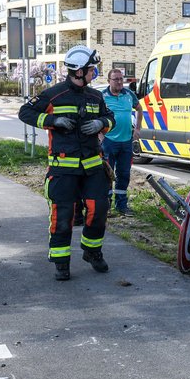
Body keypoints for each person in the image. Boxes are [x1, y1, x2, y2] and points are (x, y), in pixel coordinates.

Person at [18, 45, 115, 281]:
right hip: (63, 170)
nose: (95, 72)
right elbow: (25, 112)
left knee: (99, 208)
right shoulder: (53, 95)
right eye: (92, 69)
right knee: (63, 215)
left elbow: (110, 117)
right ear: (79, 71)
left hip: (93, 167)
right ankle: (61, 262)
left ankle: (92, 251)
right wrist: (53, 120)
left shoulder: (96, 96)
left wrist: (101, 123)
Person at [100, 69, 138, 216]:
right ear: (109, 81)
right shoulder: (102, 96)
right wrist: (100, 135)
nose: (120, 82)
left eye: (121, 79)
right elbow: (94, 116)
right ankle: (106, 206)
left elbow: (139, 108)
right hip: (109, 141)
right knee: (107, 175)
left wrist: (138, 128)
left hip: (126, 141)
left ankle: (122, 205)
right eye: (116, 79)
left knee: (124, 174)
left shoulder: (129, 94)